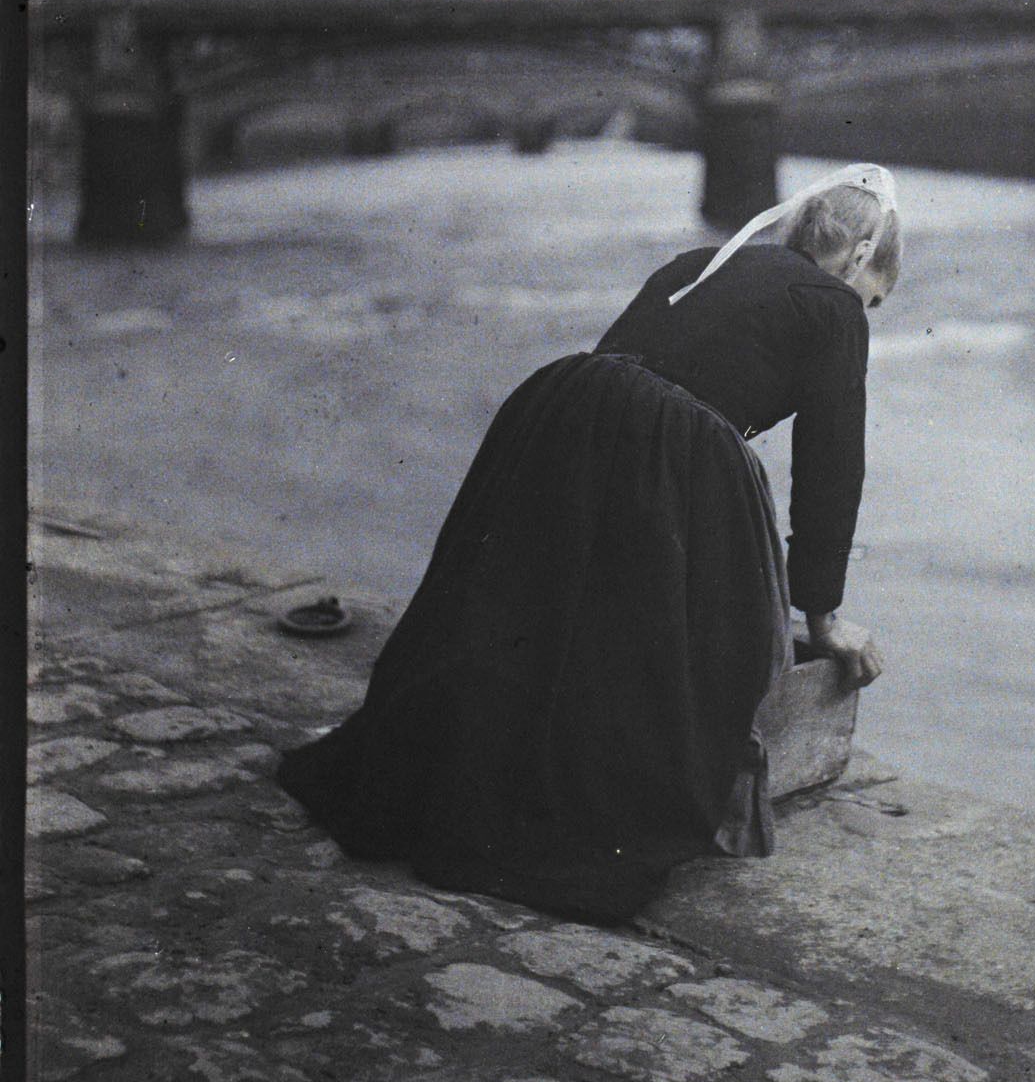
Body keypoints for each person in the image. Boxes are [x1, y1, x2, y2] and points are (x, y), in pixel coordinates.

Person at [276, 162, 901, 922]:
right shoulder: (834, 308)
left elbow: (635, 367)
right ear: (862, 253)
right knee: (701, 645)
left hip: (563, 412)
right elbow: (833, 466)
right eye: (875, 298)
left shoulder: (700, 263)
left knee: (537, 622)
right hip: (672, 443)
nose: (865, 310)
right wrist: (823, 615)